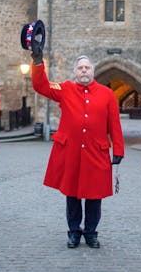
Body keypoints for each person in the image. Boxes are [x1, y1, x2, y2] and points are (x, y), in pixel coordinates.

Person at [29, 48, 124, 249]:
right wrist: (37, 62)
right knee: (71, 195)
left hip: (96, 152)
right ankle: (73, 232)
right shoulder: (65, 89)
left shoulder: (107, 94)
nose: (83, 71)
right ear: (75, 72)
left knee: (94, 196)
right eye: (80, 68)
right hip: (71, 152)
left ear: (93, 71)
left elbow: (114, 125)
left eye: (87, 67)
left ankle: (91, 233)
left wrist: (118, 151)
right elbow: (41, 86)